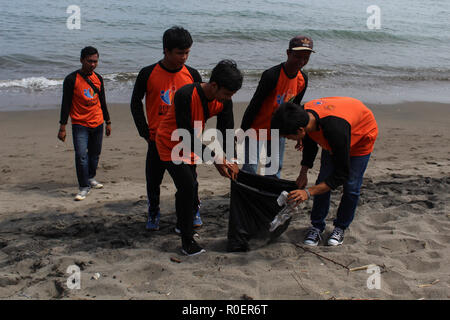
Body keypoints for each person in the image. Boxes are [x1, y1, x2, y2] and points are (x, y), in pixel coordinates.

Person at [155, 60, 243, 256]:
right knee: (188, 186)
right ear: (214, 85)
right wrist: (215, 158)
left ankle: (181, 224)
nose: (228, 99)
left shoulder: (224, 100)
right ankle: (187, 242)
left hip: (191, 143)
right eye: (227, 94)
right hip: (170, 143)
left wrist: (232, 160)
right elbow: (183, 134)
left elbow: (226, 132)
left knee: (190, 187)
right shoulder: (185, 95)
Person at [271, 98, 378, 246]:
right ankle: (317, 226)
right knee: (322, 180)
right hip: (338, 130)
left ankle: (340, 227)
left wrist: (307, 193)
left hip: (361, 136)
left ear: (300, 130)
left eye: (288, 137)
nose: (288, 139)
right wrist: (303, 173)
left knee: (351, 187)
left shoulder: (335, 131)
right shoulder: (302, 116)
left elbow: (341, 175)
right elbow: (310, 145)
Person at [130, 26, 203, 231]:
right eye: (180, 53)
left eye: (187, 52)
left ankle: (194, 209)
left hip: (183, 140)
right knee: (153, 181)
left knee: (191, 181)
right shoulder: (148, 73)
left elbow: (200, 104)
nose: (184, 57)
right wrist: (144, 131)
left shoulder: (192, 74)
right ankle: (153, 212)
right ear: (166, 50)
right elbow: (135, 102)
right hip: (156, 139)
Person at [240, 35, 314, 178]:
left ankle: (270, 197)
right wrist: (243, 131)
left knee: (274, 169)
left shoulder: (302, 79)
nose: (301, 61)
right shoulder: (272, 75)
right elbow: (255, 104)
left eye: (306, 58)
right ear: (288, 53)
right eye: (297, 56)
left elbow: (296, 109)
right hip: (257, 129)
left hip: (280, 132)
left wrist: (299, 134)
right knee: (250, 167)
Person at [58, 46, 111, 201]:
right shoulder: (71, 79)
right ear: (81, 60)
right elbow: (65, 104)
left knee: (95, 155)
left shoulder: (98, 79)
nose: (93, 64)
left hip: (97, 123)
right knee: (81, 156)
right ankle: (83, 187)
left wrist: (108, 122)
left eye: (95, 61)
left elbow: (102, 101)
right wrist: (62, 127)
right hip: (80, 124)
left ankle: (90, 178)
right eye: (89, 61)